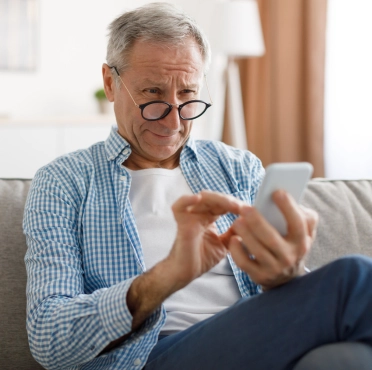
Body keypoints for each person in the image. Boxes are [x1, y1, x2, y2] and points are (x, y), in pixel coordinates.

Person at [23, 3, 372, 370]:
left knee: (349, 358)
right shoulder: (63, 182)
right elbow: (49, 339)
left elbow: (285, 305)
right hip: (148, 358)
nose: (173, 120)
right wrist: (167, 275)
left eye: (188, 95)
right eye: (153, 94)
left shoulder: (238, 167)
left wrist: (288, 275)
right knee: (354, 278)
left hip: (259, 344)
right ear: (111, 83)